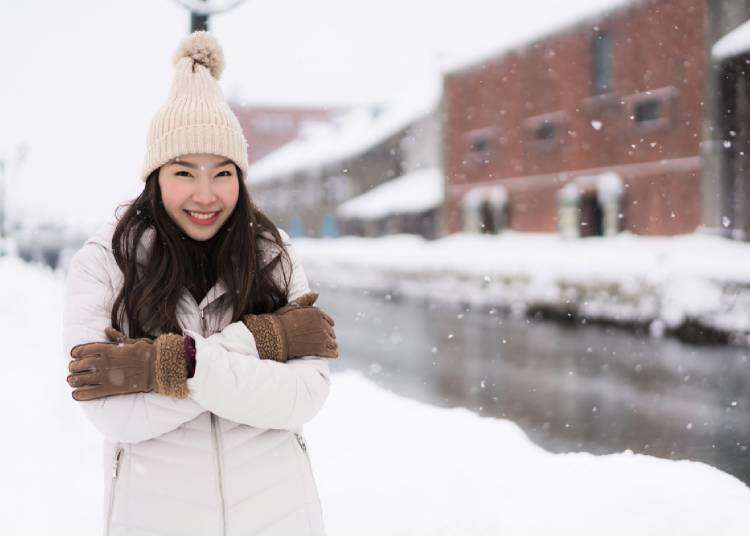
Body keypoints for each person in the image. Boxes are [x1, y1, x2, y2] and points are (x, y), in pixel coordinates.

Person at [62, 30, 338, 536]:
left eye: (223, 173)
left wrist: (164, 365)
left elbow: (303, 396)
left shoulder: (272, 255)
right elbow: (112, 412)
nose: (206, 195)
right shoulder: (104, 263)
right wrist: (259, 341)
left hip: (280, 517)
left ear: (242, 177)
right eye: (185, 172)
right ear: (156, 176)